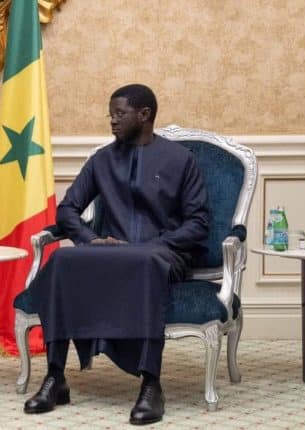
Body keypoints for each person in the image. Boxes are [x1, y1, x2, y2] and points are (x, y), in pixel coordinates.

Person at [23, 84, 209, 425]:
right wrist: (91, 240)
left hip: (161, 254)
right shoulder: (102, 160)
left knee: (146, 263)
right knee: (61, 260)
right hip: (110, 255)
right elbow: (67, 211)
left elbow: (198, 223)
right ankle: (55, 377)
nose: (112, 121)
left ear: (144, 115)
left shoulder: (181, 160)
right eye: (110, 115)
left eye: (119, 114)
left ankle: (151, 384)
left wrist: (156, 245)